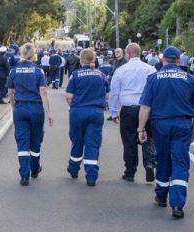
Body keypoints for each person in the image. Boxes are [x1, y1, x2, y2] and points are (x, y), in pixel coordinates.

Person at [138, 46, 194, 219]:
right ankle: (178, 204)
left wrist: (141, 128)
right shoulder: (190, 79)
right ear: (179, 60)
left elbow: (145, 107)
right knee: (180, 162)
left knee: (163, 158)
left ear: (163, 59)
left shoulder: (153, 78)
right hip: (182, 124)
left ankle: (161, 196)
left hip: (161, 124)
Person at [108, 43, 157, 183]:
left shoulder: (121, 70)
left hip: (128, 109)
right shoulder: (150, 69)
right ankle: (149, 164)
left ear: (128, 54)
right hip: (146, 108)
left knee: (129, 140)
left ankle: (130, 171)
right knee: (148, 137)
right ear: (139, 53)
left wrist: (113, 111)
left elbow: (114, 92)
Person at [7, 43, 53, 186]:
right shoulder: (38, 71)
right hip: (36, 110)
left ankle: (24, 175)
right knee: (36, 140)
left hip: (20, 109)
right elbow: (43, 92)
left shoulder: (13, 71)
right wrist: (49, 113)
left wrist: (14, 105)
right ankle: (34, 168)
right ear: (34, 55)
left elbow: (10, 92)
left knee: (22, 142)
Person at [66, 48, 108, 186]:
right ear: (94, 59)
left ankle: (73, 168)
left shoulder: (75, 75)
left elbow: (69, 96)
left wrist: (74, 106)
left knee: (77, 141)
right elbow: (107, 95)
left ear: (81, 59)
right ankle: (91, 176)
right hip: (96, 112)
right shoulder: (101, 75)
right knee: (92, 144)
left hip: (78, 112)